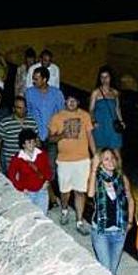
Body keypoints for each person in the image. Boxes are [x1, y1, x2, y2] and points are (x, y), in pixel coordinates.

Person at [49, 94, 96, 235]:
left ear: (78, 102)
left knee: (80, 191)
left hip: (82, 159)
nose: (71, 102)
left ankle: (79, 221)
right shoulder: (57, 117)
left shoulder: (85, 116)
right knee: (65, 191)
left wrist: (95, 155)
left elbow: (90, 136)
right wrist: (62, 135)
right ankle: (64, 210)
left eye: (74, 100)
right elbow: (50, 138)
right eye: (69, 100)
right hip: (64, 160)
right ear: (65, 102)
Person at [88, 148, 135, 275]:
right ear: (100, 162)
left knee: (112, 271)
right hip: (101, 231)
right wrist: (93, 168)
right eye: (106, 159)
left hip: (119, 231)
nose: (111, 162)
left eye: (112, 158)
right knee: (106, 270)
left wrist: (130, 221)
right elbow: (90, 193)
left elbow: (130, 199)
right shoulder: (96, 178)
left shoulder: (121, 178)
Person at [25, 67, 65, 207]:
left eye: (36, 78)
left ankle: (50, 195)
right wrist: (32, 135)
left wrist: (57, 133)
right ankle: (48, 198)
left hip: (52, 137)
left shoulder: (57, 93)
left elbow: (61, 115)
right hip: (35, 137)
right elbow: (28, 114)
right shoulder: (29, 93)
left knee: (51, 168)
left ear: (45, 79)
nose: (33, 81)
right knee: (37, 167)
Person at [7, 128, 53, 213]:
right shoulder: (18, 158)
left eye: (33, 141)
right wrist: (21, 188)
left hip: (41, 190)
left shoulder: (41, 154)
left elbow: (48, 169)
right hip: (27, 193)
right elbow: (11, 175)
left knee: (42, 215)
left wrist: (47, 181)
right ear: (23, 144)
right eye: (29, 142)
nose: (32, 144)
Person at [0, 96, 39, 173]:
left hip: (29, 162)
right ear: (14, 109)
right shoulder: (5, 122)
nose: (22, 110)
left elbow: (37, 142)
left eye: (24, 107)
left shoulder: (32, 122)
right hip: (11, 162)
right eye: (19, 108)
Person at [89, 65, 124, 151]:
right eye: (102, 77)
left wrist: (121, 121)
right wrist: (93, 121)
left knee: (116, 151)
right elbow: (91, 109)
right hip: (100, 124)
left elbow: (117, 108)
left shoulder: (115, 92)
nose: (104, 80)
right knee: (100, 151)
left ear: (110, 78)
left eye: (106, 77)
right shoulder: (96, 93)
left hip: (113, 124)